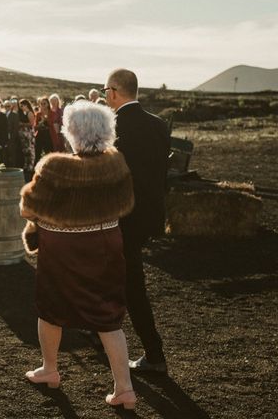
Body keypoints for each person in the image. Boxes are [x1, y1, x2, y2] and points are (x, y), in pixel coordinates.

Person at [20, 100, 137, 409]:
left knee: (51, 307)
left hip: (62, 249)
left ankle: (50, 369)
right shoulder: (116, 163)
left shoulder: (55, 166)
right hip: (105, 244)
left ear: (71, 131)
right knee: (108, 313)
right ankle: (124, 388)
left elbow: (28, 207)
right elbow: (125, 204)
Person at [103, 68, 170, 373]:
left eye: (106, 91)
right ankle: (101, 335)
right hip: (150, 215)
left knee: (132, 286)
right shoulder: (158, 125)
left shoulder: (113, 127)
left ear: (114, 91)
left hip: (122, 218)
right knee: (121, 279)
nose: (106, 96)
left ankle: (154, 355)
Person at [18, 99, 36, 181]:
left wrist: (22, 124)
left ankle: (30, 167)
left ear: (26, 105)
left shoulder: (29, 113)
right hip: (23, 135)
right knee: (25, 150)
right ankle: (26, 166)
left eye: (22, 106)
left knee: (30, 150)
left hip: (28, 134)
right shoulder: (23, 113)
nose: (21, 107)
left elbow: (32, 124)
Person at [34, 97, 54, 164]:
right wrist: (40, 123)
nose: (42, 105)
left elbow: (52, 124)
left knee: (49, 153)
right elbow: (35, 127)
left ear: (48, 104)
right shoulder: (38, 114)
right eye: (41, 104)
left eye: (44, 103)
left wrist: (46, 120)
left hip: (49, 135)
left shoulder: (51, 113)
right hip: (40, 135)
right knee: (37, 153)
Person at [5, 97, 21, 167]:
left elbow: (15, 128)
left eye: (8, 106)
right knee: (5, 155)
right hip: (4, 138)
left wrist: (12, 138)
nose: (7, 108)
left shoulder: (14, 115)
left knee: (13, 154)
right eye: (5, 106)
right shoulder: (2, 114)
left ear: (11, 106)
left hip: (12, 138)